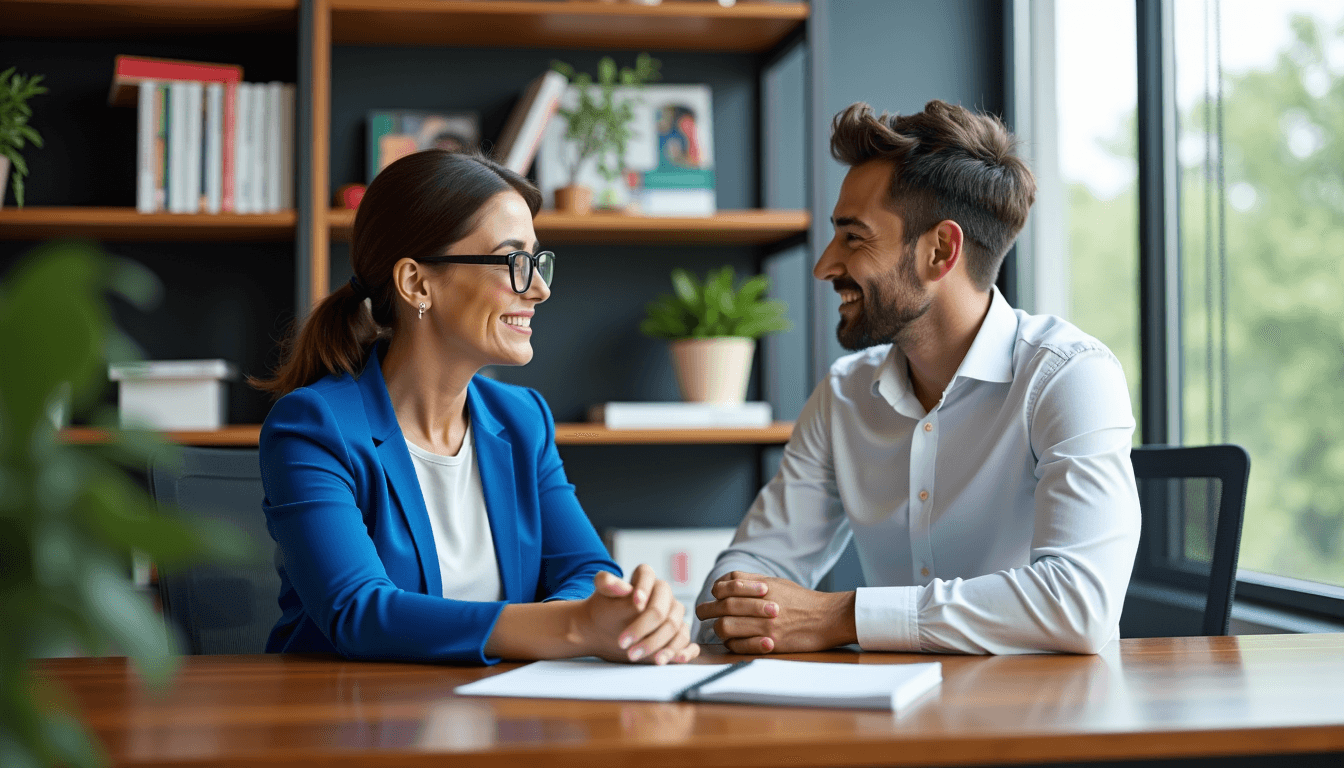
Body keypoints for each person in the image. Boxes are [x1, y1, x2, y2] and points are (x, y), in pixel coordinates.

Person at [693, 100, 1141, 655]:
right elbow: (755, 563)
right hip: (887, 705)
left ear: (940, 250)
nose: (824, 266)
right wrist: (737, 611)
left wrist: (841, 616)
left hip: (1041, 706)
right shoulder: (843, 396)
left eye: (853, 237)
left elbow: (1080, 604)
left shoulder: (1069, 377)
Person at [253, 149, 699, 666]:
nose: (539, 289)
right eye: (514, 262)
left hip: (500, 704)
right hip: (351, 708)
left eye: (537, 261)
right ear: (417, 283)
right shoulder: (313, 427)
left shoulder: (522, 419)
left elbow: (586, 570)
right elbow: (359, 612)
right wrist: (575, 626)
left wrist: (621, 614)